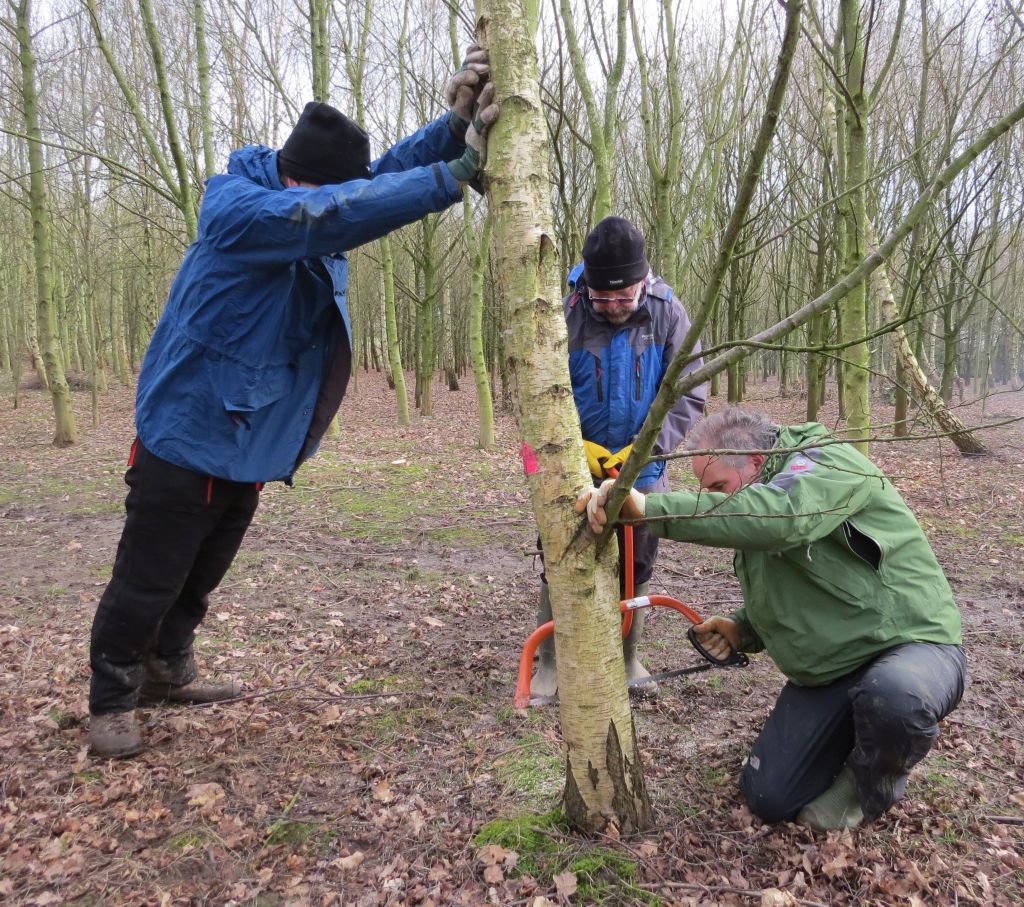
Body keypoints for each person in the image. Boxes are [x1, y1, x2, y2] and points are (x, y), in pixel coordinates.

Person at [88, 51, 499, 759]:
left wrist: (450, 128)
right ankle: (111, 697)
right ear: (301, 179)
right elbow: (334, 211)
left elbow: (365, 186)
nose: (346, 196)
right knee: (149, 573)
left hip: (248, 435)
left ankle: (166, 668)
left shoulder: (303, 194)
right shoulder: (243, 211)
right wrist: (448, 180)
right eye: (330, 191)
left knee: (205, 566)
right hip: (187, 429)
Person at [578, 406, 966, 830]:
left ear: (756, 462)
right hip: (833, 666)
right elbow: (797, 582)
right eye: (707, 490)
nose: (717, 499)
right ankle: (859, 734)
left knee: (896, 696)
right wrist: (743, 628)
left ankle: (869, 785)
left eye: (719, 487)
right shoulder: (760, 498)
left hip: (912, 644)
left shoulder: (822, 461)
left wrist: (648, 507)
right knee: (770, 797)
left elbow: (782, 520)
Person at [532, 216, 707, 700]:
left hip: (643, 466)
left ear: (642, 281)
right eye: (601, 298)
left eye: (622, 298)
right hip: (570, 462)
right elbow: (537, 388)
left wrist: (643, 450)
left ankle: (629, 657)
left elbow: (689, 392)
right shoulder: (559, 310)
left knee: (639, 561)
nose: (611, 307)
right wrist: (573, 448)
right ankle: (549, 663)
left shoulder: (668, 312)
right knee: (561, 555)